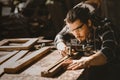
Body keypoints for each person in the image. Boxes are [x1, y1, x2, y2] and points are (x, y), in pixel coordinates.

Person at [54, 1, 120, 80]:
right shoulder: (73, 26)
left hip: (111, 70)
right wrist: (61, 46)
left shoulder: (105, 27)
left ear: (88, 22)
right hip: (92, 68)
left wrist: (86, 61)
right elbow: (59, 36)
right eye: (72, 30)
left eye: (79, 29)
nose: (76, 34)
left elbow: (108, 52)